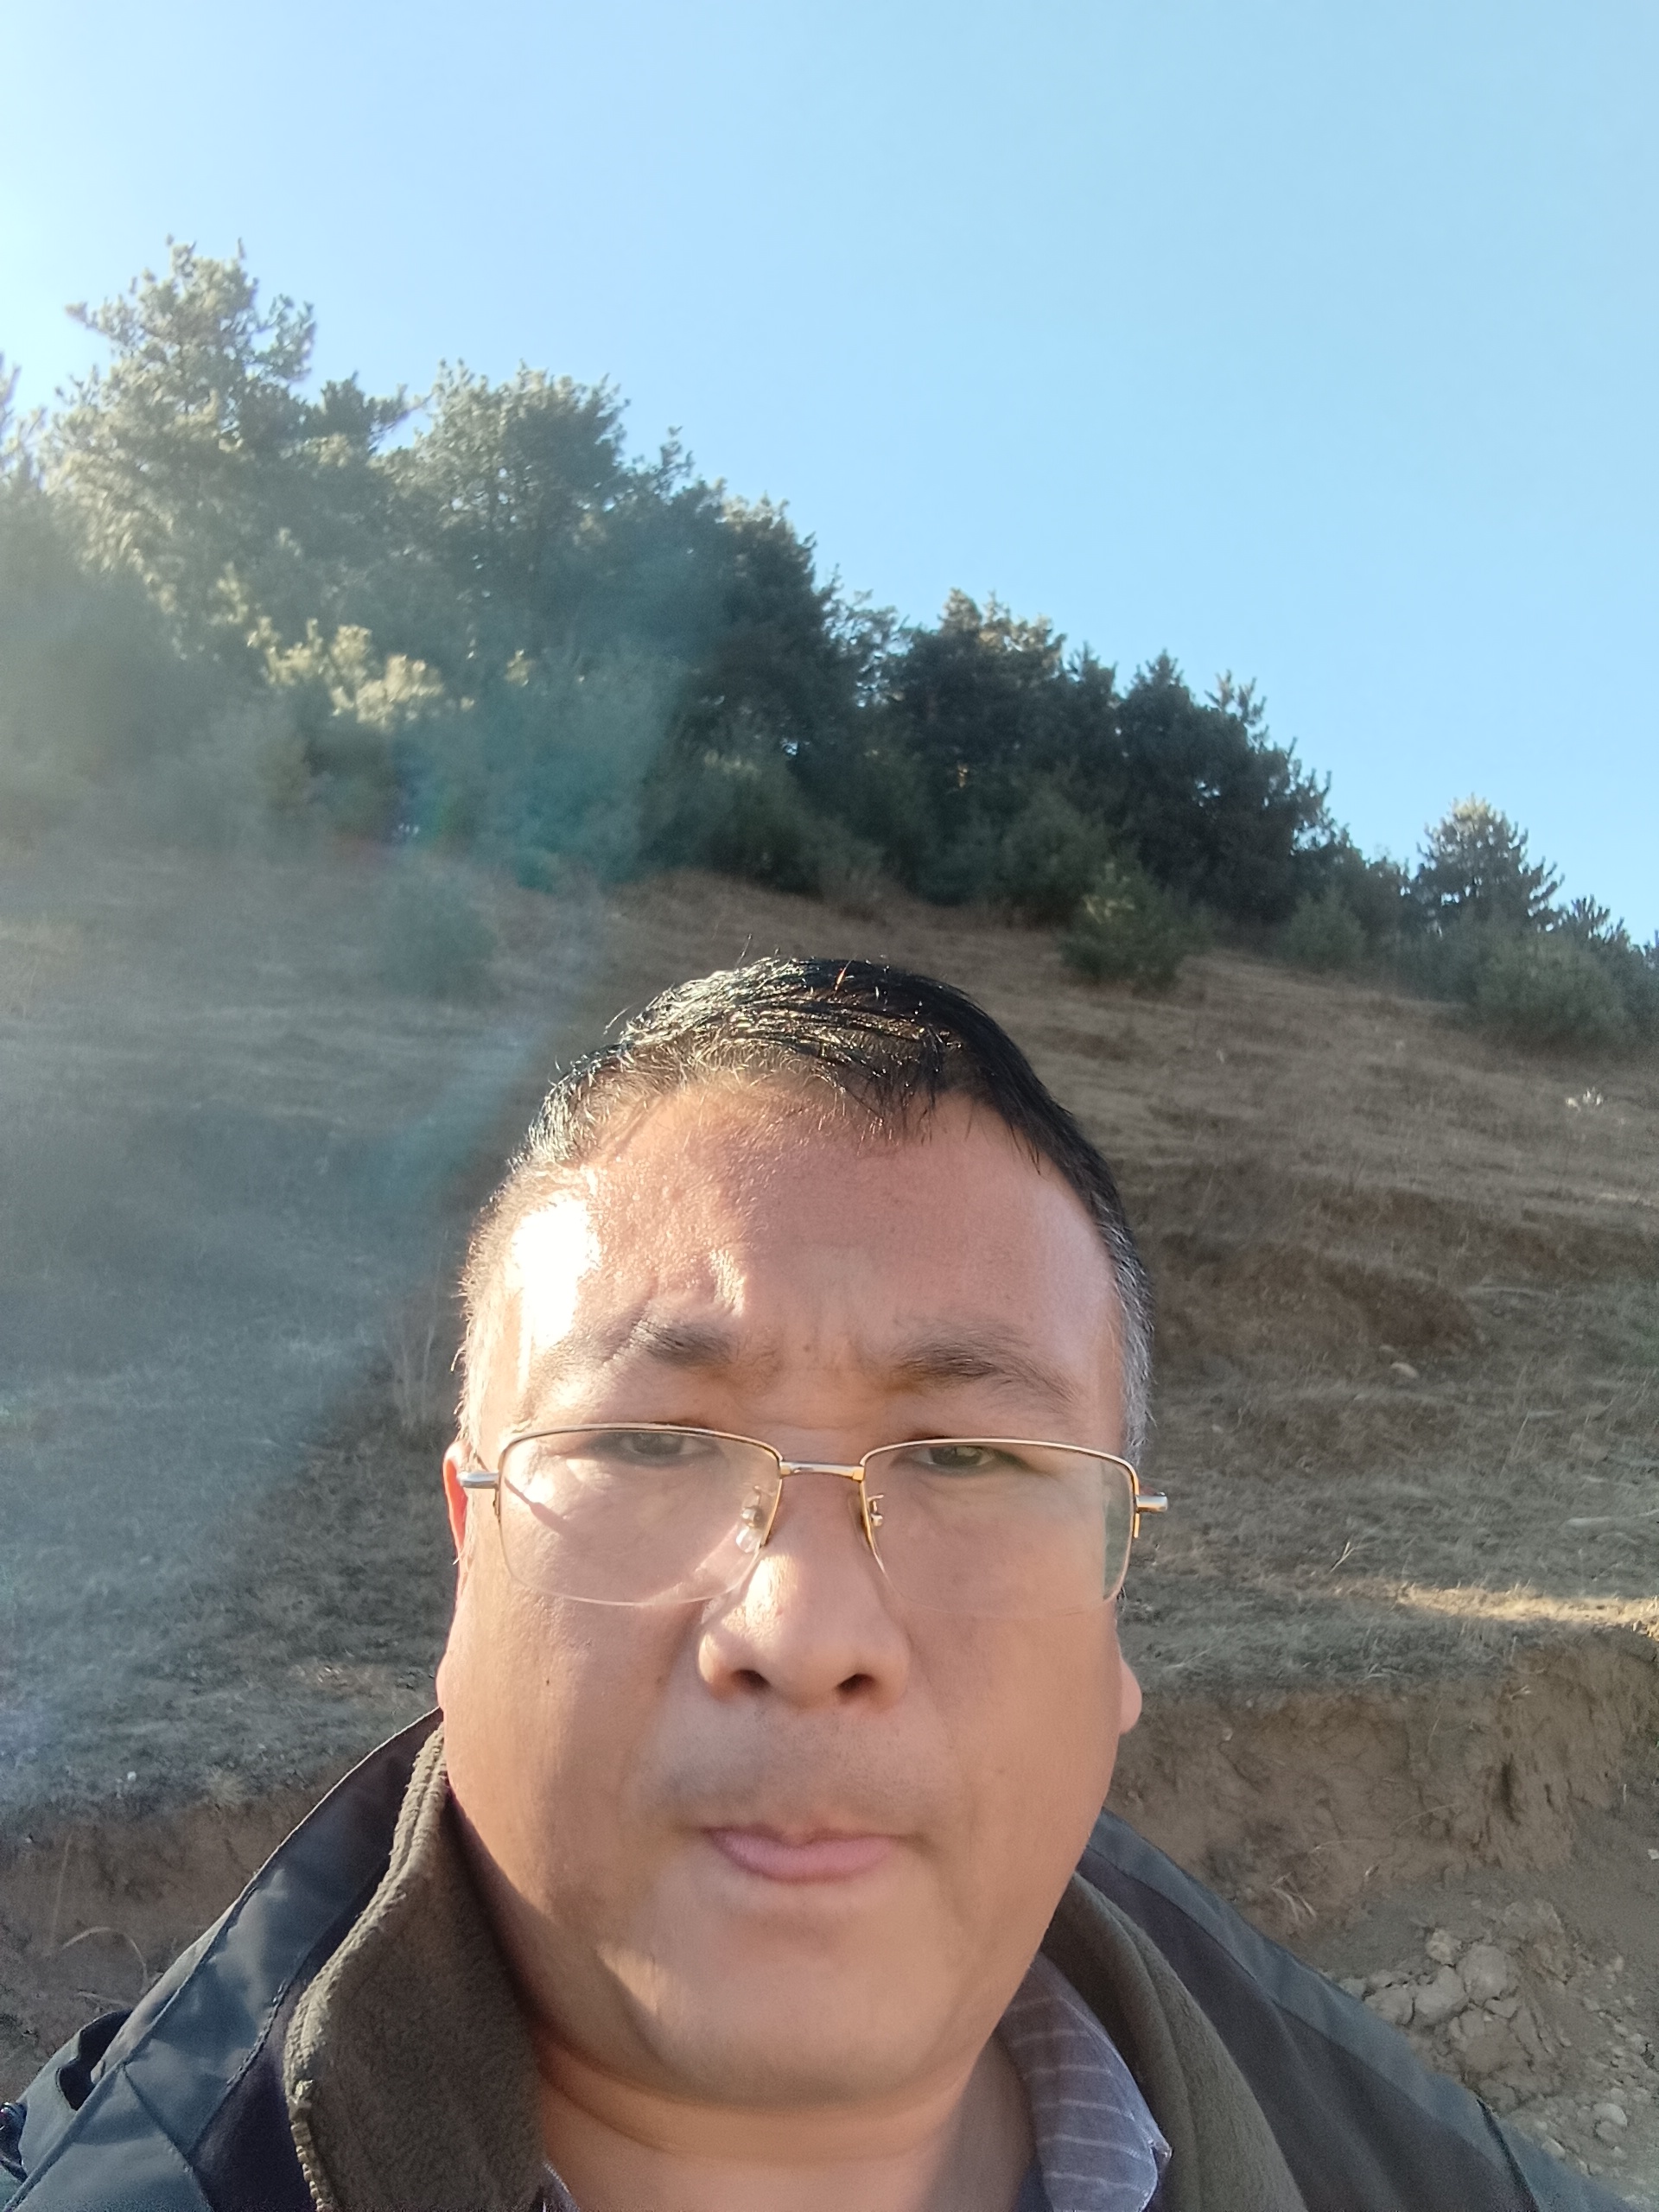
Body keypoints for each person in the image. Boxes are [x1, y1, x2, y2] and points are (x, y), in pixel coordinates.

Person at [1, 959, 1628, 2212]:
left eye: (970, 1459)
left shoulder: (1400, 2160)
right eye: (647, 1443)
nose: (805, 1628)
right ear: (469, 1549)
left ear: (1115, 1613)